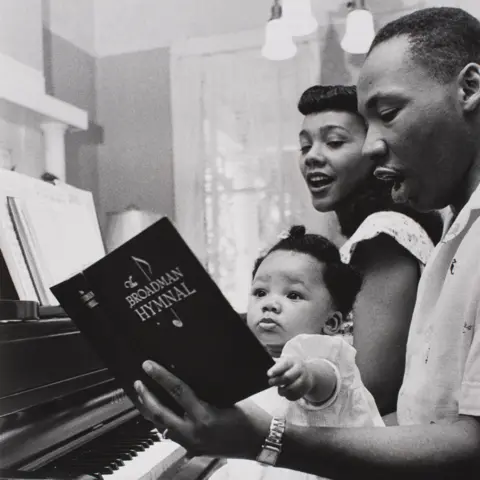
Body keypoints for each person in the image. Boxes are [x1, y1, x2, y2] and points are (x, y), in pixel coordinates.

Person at [133, 7, 480, 479]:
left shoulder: (392, 232)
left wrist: (265, 436)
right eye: (304, 144)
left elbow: (432, 424)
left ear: (470, 88)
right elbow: (417, 409)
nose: (373, 146)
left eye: (388, 114)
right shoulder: (457, 229)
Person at [296, 84, 443, 415]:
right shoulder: (369, 233)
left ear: (374, 150)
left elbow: (373, 388)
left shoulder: (382, 235)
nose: (312, 157)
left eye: (334, 142)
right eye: (305, 146)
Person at [210, 225, 382, 479]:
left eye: (293, 294)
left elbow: (327, 378)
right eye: (260, 292)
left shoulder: (325, 354)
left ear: (332, 323)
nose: (270, 304)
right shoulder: (245, 362)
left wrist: (306, 375)